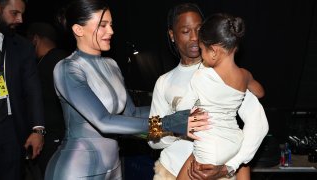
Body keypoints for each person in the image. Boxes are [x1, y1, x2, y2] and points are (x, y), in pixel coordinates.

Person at [44, 0, 209, 179]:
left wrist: (174, 107)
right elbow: (103, 121)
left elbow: (132, 113)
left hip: (113, 169)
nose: (111, 31)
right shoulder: (67, 68)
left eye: (111, 24)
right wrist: (167, 123)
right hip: (76, 170)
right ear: (79, 30)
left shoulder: (112, 65)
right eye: (103, 25)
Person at [148, 3, 267, 180]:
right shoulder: (164, 82)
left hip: (218, 172)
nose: (195, 37)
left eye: (199, 29)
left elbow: (256, 125)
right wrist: (178, 129)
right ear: (172, 35)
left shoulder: (223, 74)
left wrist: (229, 168)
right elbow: (152, 133)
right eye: (186, 31)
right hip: (170, 171)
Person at [0, 0, 45, 180]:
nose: (20, 19)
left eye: (22, 14)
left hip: (11, 131)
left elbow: (33, 90)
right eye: (15, 13)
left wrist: (38, 130)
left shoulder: (23, 46)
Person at [26, 22, 69, 177]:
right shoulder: (53, 60)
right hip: (53, 137)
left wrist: (150, 132)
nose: (109, 31)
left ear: (35, 39)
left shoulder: (58, 61)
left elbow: (104, 119)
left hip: (57, 137)